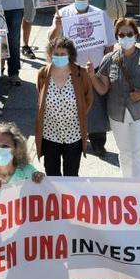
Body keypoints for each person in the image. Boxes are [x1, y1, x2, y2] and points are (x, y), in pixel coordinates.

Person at [91, 19, 140, 178]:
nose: (125, 37)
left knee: (139, 155)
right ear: (116, 37)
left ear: (136, 35)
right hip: (117, 113)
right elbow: (102, 89)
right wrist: (90, 75)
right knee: (124, 154)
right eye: (121, 34)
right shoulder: (109, 59)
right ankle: (127, 190)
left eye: (129, 34)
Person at [49, 0, 115, 155]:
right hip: (70, 69)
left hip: (96, 68)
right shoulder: (62, 14)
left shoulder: (101, 15)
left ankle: (98, 141)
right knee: (73, 106)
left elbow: (109, 45)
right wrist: (57, 27)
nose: (80, 0)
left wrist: (104, 68)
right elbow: (51, 41)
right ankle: (76, 139)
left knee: (97, 107)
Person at [36, 36, 93, 176]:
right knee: (51, 173)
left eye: (63, 54)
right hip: (50, 133)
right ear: (50, 54)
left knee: (71, 175)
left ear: (70, 55)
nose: (59, 56)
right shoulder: (43, 74)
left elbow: (88, 98)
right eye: (56, 54)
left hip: (73, 134)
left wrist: (79, 115)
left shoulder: (81, 73)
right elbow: (40, 98)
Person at [0, 123, 45, 195]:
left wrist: (43, 180)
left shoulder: (29, 172)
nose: (0, 149)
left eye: (5, 146)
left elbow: (43, 195)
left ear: (16, 149)